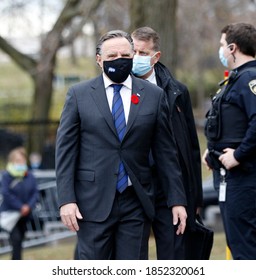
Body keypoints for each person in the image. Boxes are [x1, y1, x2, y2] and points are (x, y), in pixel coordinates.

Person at [55, 29, 187, 260]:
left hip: (135, 201)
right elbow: (65, 152)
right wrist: (66, 199)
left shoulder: (153, 95)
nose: (119, 61)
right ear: (99, 60)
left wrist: (177, 200)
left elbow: (166, 153)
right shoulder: (79, 95)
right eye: (112, 56)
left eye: (125, 55)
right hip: (92, 203)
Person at [131, 27, 203, 260]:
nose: (135, 57)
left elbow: (191, 146)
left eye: (142, 52)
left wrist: (195, 198)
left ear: (156, 56)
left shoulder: (176, 90)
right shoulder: (118, 88)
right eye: (133, 50)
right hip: (134, 184)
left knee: (174, 255)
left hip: (169, 185)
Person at [203, 22, 256, 259]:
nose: (221, 50)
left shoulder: (249, 79)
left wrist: (238, 154)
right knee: (237, 244)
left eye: (223, 45)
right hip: (230, 176)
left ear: (233, 48)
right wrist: (212, 150)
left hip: (244, 177)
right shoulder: (238, 79)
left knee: (244, 247)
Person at [0, 147, 39, 259]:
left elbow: (35, 193)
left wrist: (28, 207)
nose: (21, 163)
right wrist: (20, 206)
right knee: (16, 239)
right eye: (18, 161)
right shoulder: (7, 176)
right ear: (12, 161)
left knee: (20, 239)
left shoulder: (29, 176)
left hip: (24, 215)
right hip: (11, 214)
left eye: (22, 161)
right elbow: (6, 193)